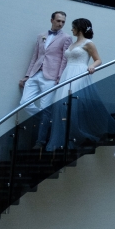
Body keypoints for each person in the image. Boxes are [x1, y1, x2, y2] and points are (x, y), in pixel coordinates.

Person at [44, 18, 115, 158]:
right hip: (67, 74)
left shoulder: (88, 43)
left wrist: (92, 66)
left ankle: (81, 134)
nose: (72, 29)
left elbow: (98, 59)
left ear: (79, 28)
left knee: (72, 103)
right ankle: (69, 138)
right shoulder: (73, 44)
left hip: (79, 73)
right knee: (62, 105)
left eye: (73, 27)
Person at [19, 11, 72, 143]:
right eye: (58, 21)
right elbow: (35, 56)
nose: (60, 24)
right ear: (51, 20)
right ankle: (49, 120)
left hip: (51, 76)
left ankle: (42, 139)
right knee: (24, 103)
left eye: (63, 22)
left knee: (45, 107)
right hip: (35, 73)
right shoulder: (41, 36)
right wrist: (27, 75)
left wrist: (59, 77)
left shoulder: (66, 38)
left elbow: (64, 59)